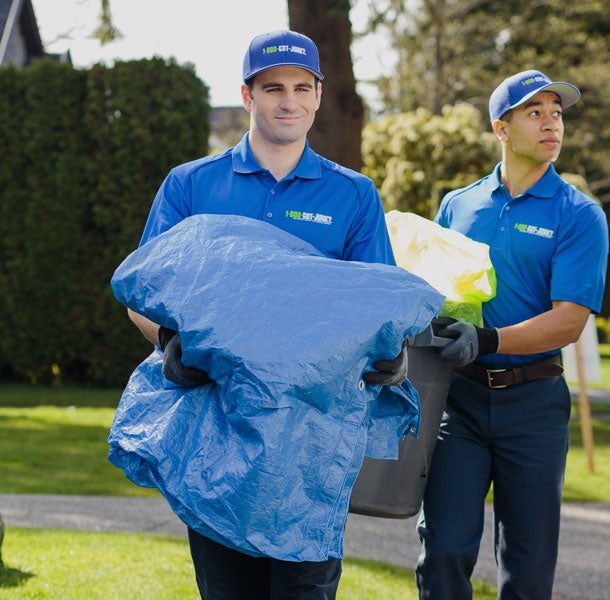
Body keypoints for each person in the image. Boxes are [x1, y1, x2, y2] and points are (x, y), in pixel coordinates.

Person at [126, 29, 407, 600]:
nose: (289, 101)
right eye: (273, 87)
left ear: (319, 96)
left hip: (312, 434)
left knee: (306, 589)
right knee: (228, 590)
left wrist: (391, 353)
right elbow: (143, 289)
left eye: (303, 88)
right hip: (215, 426)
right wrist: (169, 343)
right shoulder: (191, 185)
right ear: (247, 95)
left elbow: (377, 301)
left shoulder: (352, 196)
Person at [415, 69, 609, 599]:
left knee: (527, 561)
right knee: (445, 549)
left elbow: (570, 319)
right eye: (535, 112)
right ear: (501, 127)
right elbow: (432, 290)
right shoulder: (458, 205)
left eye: (557, 113)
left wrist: (489, 339)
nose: (552, 124)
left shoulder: (579, 215)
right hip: (460, 400)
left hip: (535, 404)